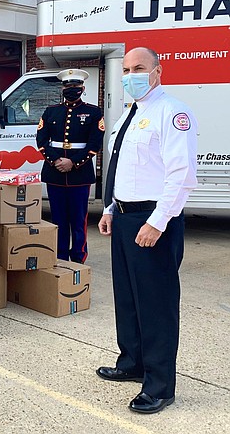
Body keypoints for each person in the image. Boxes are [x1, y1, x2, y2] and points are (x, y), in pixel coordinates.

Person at [97, 47, 198, 414]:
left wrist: (157, 222)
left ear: (158, 70)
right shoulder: (130, 113)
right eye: (126, 69)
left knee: (156, 305)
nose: (130, 75)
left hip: (154, 221)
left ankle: (159, 386)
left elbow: (181, 175)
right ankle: (133, 363)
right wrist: (110, 209)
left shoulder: (172, 112)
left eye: (139, 68)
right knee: (128, 298)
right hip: (124, 217)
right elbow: (124, 169)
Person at [36, 69, 104, 263]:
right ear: (62, 88)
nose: (71, 89)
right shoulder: (51, 111)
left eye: (75, 86)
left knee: (78, 221)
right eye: (67, 86)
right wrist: (56, 161)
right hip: (54, 173)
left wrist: (73, 162)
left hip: (79, 175)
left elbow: (94, 144)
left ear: (82, 88)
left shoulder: (93, 112)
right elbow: (41, 140)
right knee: (58, 220)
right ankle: (60, 258)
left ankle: (78, 258)